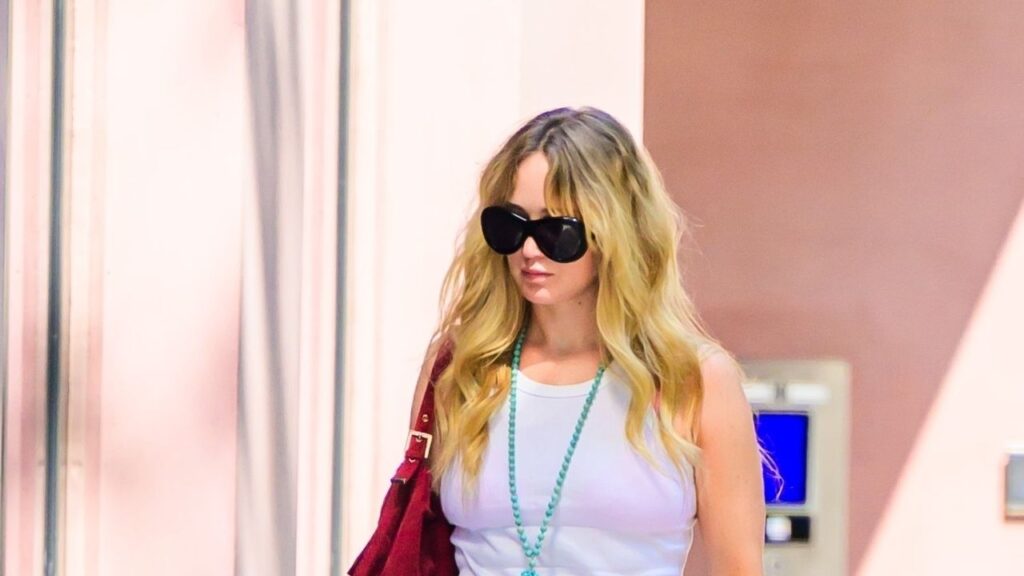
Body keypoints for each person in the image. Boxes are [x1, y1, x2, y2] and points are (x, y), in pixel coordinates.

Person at [408, 106, 765, 575]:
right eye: (511, 225)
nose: (529, 249)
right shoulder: (462, 366)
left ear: (615, 234)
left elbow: (739, 568)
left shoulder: (694, 380)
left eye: (556, 231)